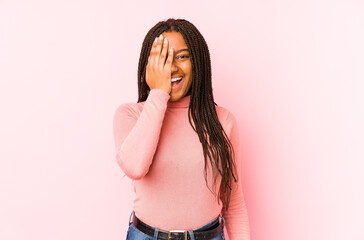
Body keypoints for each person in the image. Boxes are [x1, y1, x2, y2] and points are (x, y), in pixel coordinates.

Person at [113, 18, 250, 240]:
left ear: (197, 61)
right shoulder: (130, 115)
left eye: (182, 56)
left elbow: (234, 204)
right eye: (163, 59)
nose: (173, 67)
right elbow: (134, 167)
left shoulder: (223, 121)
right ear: (150, 66)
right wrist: (158, 94)